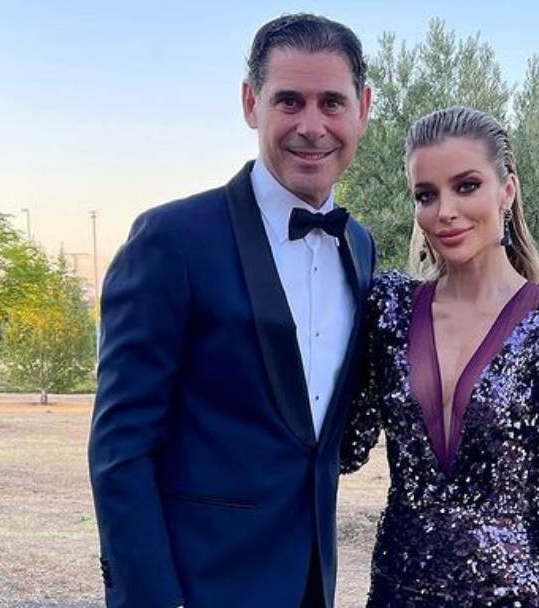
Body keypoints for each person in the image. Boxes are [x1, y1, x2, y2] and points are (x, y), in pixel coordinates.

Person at [88, 14, 374, 608]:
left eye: (331, 102)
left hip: (311, 586)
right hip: (200, 587)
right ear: (251, 103)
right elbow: (120, 450)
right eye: (289, 101)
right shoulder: (172, 239)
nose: (312, 126)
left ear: (362, 109)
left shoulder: (359, 246)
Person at [341, 106, 539, 607]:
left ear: (507, 190)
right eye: (426, 195)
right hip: (400, 592)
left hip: (516, 594)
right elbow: (346, 448)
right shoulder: (389, 310)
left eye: (466, 186)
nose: (444, 211)